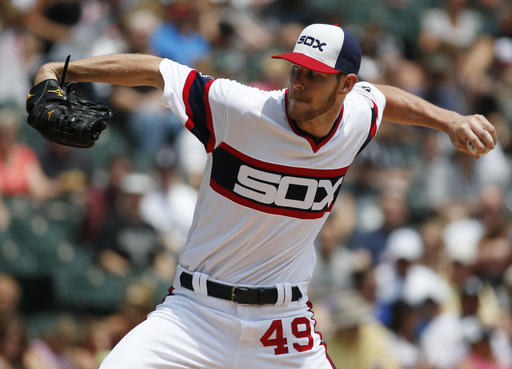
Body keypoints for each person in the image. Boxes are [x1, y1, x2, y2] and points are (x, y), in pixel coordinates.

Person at [30, 23, 497, 369]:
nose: (299, 82)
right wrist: (62, 69)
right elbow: (158, 71)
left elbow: (386, 99)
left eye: (315, 76)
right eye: (296, 69)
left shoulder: (356, 115)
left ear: (346, 86)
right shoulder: (241, 109)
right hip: (195, 314)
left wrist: (449, 120)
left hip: (284, 325)